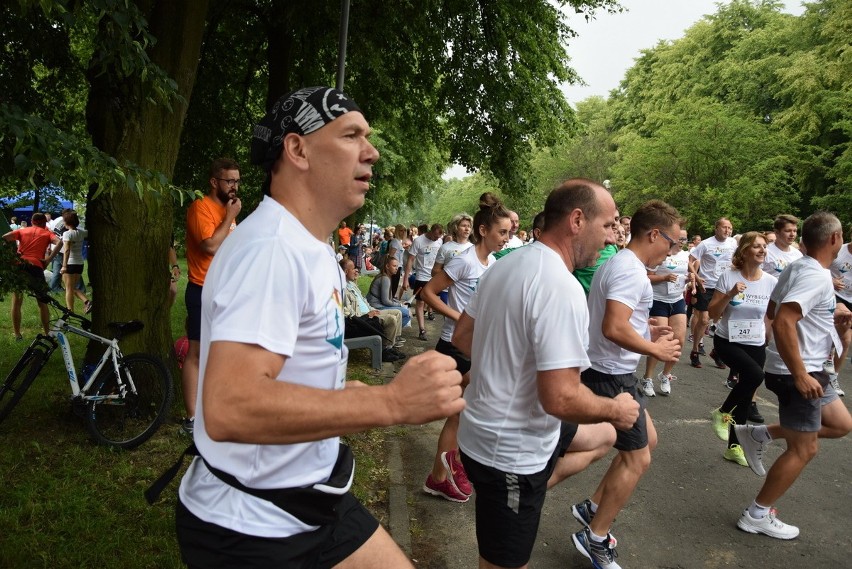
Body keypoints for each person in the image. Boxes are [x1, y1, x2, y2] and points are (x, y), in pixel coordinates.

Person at [175, 86, 463, 568]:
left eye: (367, 138)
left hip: (312, 504)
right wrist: (389, 401)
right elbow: (228, 407)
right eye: (352, 135)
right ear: (297, 148)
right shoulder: (271, 249)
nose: (371, 151)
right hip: (249, 530)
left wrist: (334, 386)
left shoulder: (311, 247)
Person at [452, 179, 640, 569]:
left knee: (604, 437)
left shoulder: (508, 264)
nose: (612, 239)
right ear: (576, 220)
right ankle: (523, 494)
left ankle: (533, 489)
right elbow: (560, 398)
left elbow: (464, 338)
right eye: (608, 226)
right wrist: (616, 409)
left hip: (489, 433)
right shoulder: (561, 287)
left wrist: (509, 364)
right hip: (508, 456)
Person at [572, 199, 683, 569]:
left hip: (614, 372)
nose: (673, 251)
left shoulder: (623, 264)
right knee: (638, 459)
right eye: (672, 242)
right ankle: (595, 536)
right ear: (654, 234)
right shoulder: (630, 271)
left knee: (648, 440)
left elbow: (617, 319)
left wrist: (647, 328)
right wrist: (654, 347)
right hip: (609, 375)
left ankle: (591, 508)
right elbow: (612, 327)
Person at [733, 212, 852, 540]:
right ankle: (757, 513)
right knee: (805, 448)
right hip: (799, 371)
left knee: (841, 424)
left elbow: (773, 310)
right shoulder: (815, 276)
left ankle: (759, 434)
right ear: (833, 240)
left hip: (809, 368)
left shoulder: (799, 267)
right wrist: (800, 374)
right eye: (842, 237)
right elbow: (783, 319)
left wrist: (829, 317)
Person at [419, 194, 511, 503]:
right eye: (502, 232)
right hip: (455, 345)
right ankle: (442, 474)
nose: (506, 238)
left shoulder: (494, 263)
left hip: (477, 346)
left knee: (466, 411)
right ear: (484, 230)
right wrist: (460, 317)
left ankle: (440, 476)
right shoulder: (464, 260)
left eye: (510, 233)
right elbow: (428, 292)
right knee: (460, 414)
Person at [181, 157, 242, 436]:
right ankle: (192, 417)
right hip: (202, 288)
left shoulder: (230, 211)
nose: (234, 186)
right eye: (230, 180)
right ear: (214, 182)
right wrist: (229, 218)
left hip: (227, 290)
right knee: (196, 352)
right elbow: (210, 247)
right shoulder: (201, 208)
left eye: (237, 181)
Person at [707, 232, 778, 467]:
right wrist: (730, 294)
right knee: (756, 376)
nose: (762, 250)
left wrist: (768, 333)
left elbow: (769, 313)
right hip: (728, 340)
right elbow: (713, 314)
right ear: (744, 250)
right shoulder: (729, 277)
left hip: (756, 343)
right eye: (756, 246)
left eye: (764, 247)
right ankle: (722, 412)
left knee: (746, 395)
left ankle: (734, 447)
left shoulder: (770, 282)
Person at [642, 228, 692, 396]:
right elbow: (647, 276)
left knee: (679, 339)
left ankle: (665, 375)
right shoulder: (661, 253)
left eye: (685, 239)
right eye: (680, 238)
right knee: (661, 339)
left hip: (676, 299)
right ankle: (647, 377)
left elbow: (690, 272)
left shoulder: (685, 255)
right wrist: (663, 278)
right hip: (659, 300)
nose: (682, 242)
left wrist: (691, 279)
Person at [2, 213, 60, 339]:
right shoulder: (47, 233)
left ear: (32, 222)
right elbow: (59, 242)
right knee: (42, 302)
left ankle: (17, 334)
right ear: (44, 223)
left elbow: (4, 238)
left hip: (20, 265)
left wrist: (10, 258)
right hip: (36, 267)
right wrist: (49, 259)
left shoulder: (22, 231)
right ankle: (47, 332)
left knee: (17, 301)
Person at [689, 217, 737, 368]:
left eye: (730, 228)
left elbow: (736, 261)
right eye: (724, 227)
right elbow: (690, 261)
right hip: (707, 286)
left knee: (722, 321)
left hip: (725, 286)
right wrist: (697, 278)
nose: (727, 231)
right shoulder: (705, 244)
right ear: (716, 228)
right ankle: (695, 350)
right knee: (704, 320)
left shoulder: (733, 243)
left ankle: (717, 351)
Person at [340, 258, 405, 363]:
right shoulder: (342, 289)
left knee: (398, 313)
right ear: (346, 272)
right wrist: (368, 315)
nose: (356, 271)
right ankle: (384, 350)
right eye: (353, 269)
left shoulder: (352, 284)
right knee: (391, 319)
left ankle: (390, 346)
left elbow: (364, 301)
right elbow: (348, 314)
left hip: (369, 310)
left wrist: (372, 309)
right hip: (363, 318)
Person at [402, 223, 444, 341]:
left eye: (438, 237)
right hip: (421, 276)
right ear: (431, 231)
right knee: (420, 303)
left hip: (434, 277)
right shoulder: (419, 241)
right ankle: (422, 329)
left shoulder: (440, 241)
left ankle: (430, 313)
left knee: (434, 300)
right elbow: (410, 260)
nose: (436, 239)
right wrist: (406, 278)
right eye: (435, 236)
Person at [47, 211, 92, 314]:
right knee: (72, 287)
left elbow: (66, 250)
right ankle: (87, 302)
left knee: (68, 289)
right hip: (79, 263)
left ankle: (70, 310)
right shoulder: (82, 232)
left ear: (67, 222)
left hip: (70, 263)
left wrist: (63, 266)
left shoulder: (67, 234)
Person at [828, 227, 852, 396]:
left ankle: (832, 377)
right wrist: (831, 281)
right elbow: (819, 266)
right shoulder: (839, 250)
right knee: (844, 336)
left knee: (845, 341)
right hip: (835, 295)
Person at [367, 257, 412, 327]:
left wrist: (399, 303)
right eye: (394, 266)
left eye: (397, 266)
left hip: (377, 305)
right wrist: (400, 305)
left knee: (407, 313)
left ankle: (392, 332)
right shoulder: (385, 279)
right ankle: (388, 332)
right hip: (376, 307)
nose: (397, 268)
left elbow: (388, 298)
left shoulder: (385, 276)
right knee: (407, 313)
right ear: (387, 266)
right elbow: (385, 301)